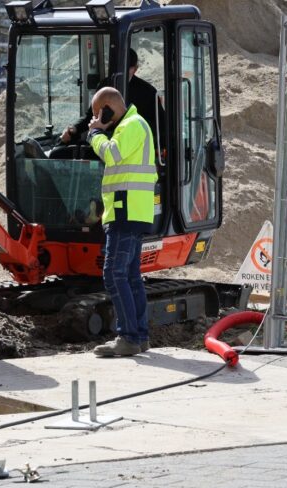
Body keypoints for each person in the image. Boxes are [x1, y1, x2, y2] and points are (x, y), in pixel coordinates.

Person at [86, 87, 157, 357]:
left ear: (107, 108)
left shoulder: (131, 125)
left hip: (126, 213)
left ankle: (128, 337)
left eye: (98, 112)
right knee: (130, 276)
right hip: (130, 212)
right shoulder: (132, 126)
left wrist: (95, 134)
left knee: (114, 274)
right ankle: (139, 335)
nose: (96, 118)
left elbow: (112, 154)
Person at [60, 49, 161, 149]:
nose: (122, 72)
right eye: (118, 68)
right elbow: (91, 116)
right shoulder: (104, 85)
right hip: (104, 144)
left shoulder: (147, 92)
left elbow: (159, 125)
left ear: (135, 69)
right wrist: (75, 128)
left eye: (126, 68)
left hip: (134, 146)